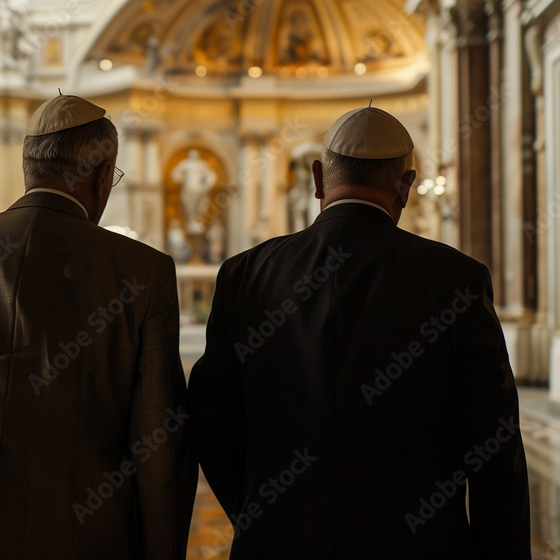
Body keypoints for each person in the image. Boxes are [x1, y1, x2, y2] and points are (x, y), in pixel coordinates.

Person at [188, 105, 530, 559]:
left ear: (317, 179)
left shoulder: (245, 274)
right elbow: (494, 443)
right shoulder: (456, 278)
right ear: (406, 187)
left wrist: (261, 512)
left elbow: (211, 422)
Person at [0, 94, 196, 559]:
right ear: (101, 176)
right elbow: (158, 442)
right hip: (84, 535)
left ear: (28, 167)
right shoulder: (141, 270)